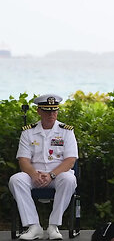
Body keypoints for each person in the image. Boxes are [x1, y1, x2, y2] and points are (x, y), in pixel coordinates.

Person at [9, 94, 78, 240]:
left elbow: (70, 160)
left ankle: (54, 226)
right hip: (34, 175)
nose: (51, 114)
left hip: (57, 175)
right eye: (47, 111)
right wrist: (34, 174)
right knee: (16, 180)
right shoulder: (28, 131)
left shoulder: (66, 131)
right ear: (39, 111)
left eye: (54, 111)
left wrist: (51, 175)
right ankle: (34, 226)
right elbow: (23, 160)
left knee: (69, 179)